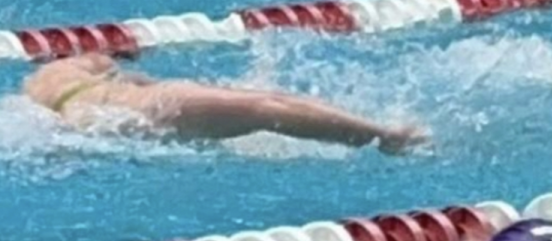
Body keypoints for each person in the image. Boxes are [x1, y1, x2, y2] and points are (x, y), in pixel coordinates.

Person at [22, 53, 426, 153]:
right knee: (269, 106)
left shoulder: (37, 89)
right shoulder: (85, 64)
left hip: (136, 116)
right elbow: (138, 77)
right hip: (158, 103)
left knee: (269, 106)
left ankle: (377, 132)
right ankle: (387, 136)